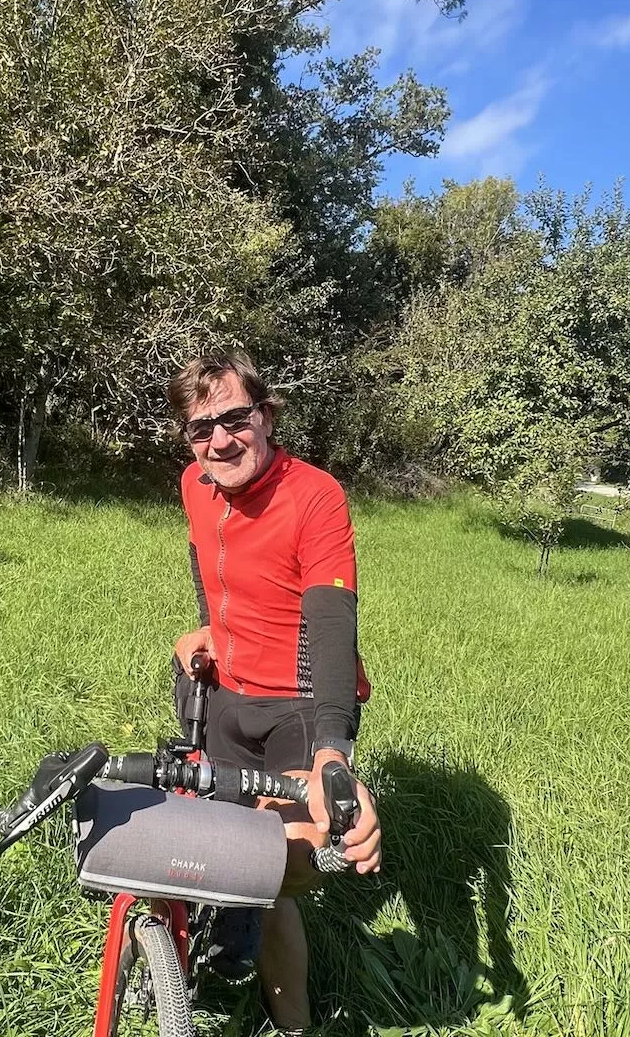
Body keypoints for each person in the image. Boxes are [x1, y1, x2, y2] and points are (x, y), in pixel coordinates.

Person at [167, 350, 382, 1036]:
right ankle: (220, 945)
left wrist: (330, 755)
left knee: (283, 864)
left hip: (299, 702)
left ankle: (293, 1027)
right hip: (226, 698)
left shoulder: (314, 495)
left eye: (234, 418)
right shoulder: (195, 485)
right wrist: (209, 626)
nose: (220, 440)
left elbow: (330, 626)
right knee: (211, 843)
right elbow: (209, 566)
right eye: (202, 429)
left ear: (265, 414)